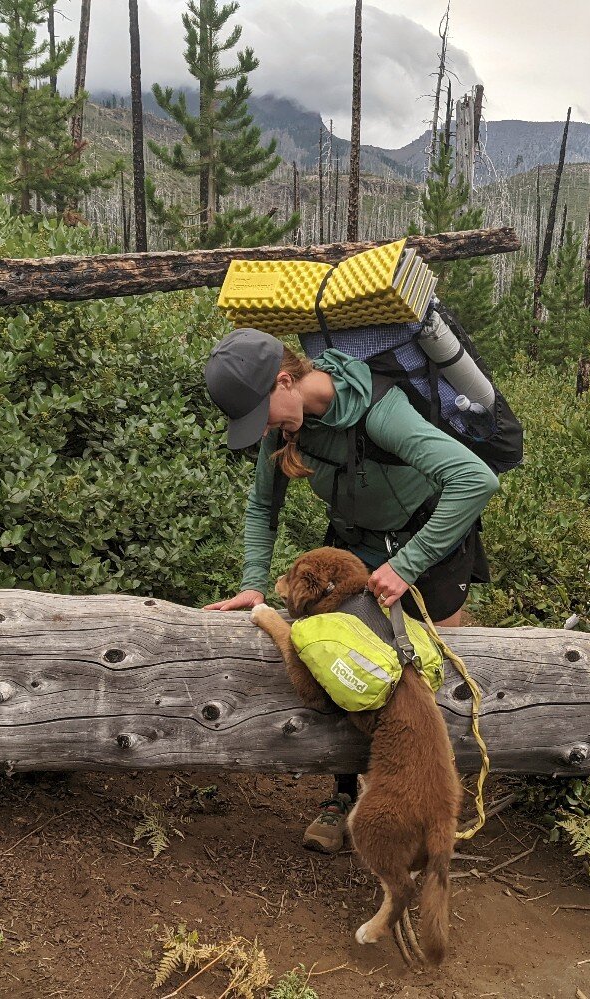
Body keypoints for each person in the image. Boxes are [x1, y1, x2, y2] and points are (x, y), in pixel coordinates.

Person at [202, 327, 498, 853]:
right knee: (341, 667)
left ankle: (430, 812)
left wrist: (407, 565)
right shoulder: (287, 428)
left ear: (285, 380)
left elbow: (475, 481)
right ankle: (343, 795)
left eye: (259, 413)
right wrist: (252, 585)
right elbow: (261, 509)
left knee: (426, 683)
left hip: (430, 546)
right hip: (355, 547)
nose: (261, 430)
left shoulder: (382, 412)